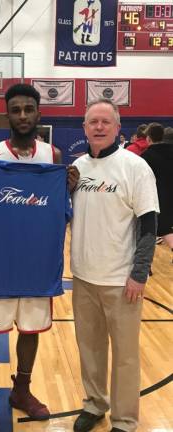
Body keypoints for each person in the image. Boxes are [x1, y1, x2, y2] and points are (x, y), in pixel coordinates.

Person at [0, 83, 79, 432]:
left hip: (38, 264)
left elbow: (64, 209)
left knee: (30, 331)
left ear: (39, 113)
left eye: (28, 109)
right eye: (15, 110)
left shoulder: (54, 157)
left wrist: (69, 187)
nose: (22, 116)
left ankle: (22, 390)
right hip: (0, 263)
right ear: (7, 114)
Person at [70, 98, 159, 432]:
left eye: (106, 122)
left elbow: (148, 225)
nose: (99, 127)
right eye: (93, 121)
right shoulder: (76, 168)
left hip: (121, 280)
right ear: (84, 128)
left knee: (124, 356)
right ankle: (94, 404)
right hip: (83, 276)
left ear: (118, 128)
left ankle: (124, 420)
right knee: (89, 350)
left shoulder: (135, 167)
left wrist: (139, 274)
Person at [142, 126, 173, 259]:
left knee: (149, 231)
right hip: (169, 196)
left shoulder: (146, 156)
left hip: (156, 198)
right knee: (165, 230)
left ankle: (145, 264)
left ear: (149, 138)